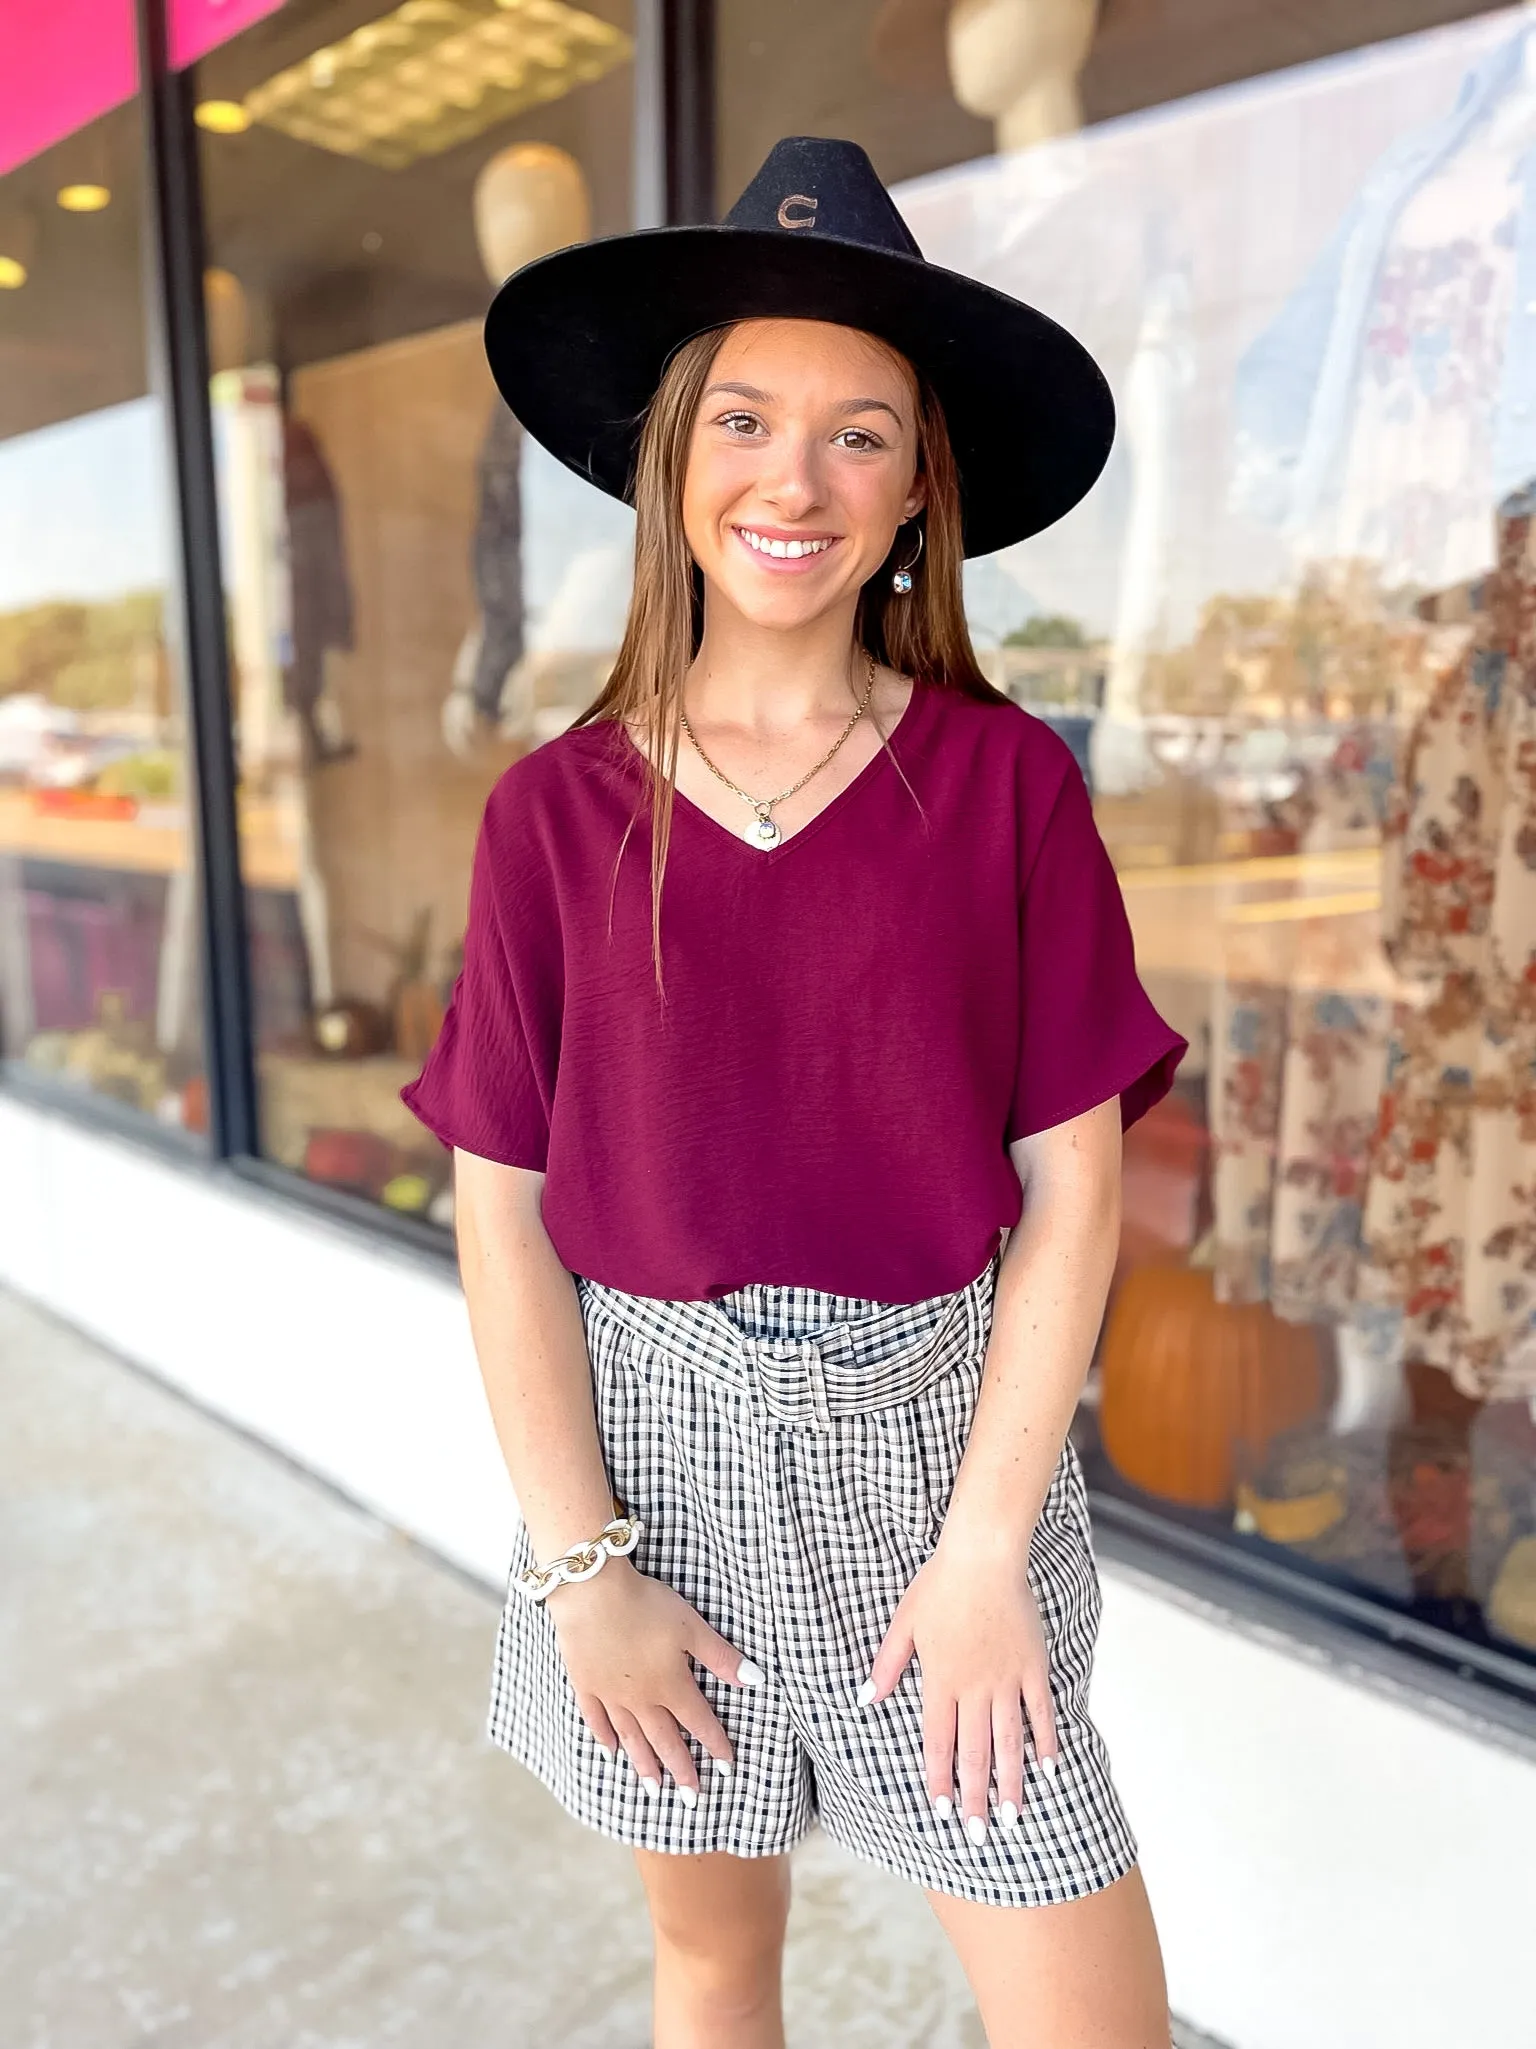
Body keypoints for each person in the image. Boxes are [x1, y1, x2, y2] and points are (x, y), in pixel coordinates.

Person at [401, 135, 1188, 2049]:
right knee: (711, 1961)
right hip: (654, 1474)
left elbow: (1074, 1195)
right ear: (670, 461)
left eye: (861, 433)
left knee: (1089, 2014)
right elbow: (500, 1207)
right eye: (745, 416)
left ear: (922, 485)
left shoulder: (1005, 792)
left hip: (945, 1466)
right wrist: (587, 1567)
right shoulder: (552, 815)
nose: (795, 477)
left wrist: (991, 1551)